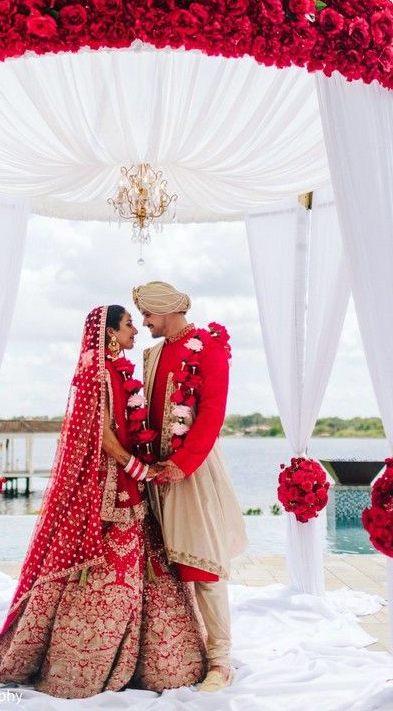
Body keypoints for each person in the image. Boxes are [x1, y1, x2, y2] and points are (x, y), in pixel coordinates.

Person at [0, 305, 207, 698]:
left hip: (129, 486)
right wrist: (138, 469)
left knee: (147, 570)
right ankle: (86, 660)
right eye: (127, 325)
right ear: (108, 333)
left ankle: (154, 659)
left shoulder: (117, 372)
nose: (136, 331)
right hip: (109, 489)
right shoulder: (100, 375)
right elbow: (102, 438)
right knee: (109, 576)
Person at [133, 281, 248, 693]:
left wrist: (182, 465)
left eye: (147, 314)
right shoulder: (152, 355)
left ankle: (221, 662)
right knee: (164, 566)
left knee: (203, 566)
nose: (144, 323)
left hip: (191, 472)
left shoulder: (209, 346)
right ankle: (173, 653)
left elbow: (212, 414)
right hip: (154, 474)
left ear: (164, 309)